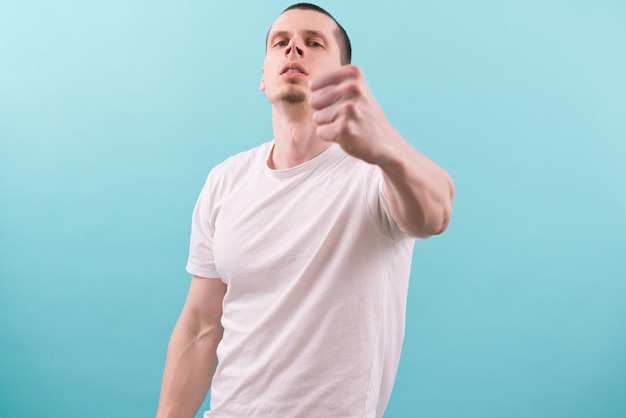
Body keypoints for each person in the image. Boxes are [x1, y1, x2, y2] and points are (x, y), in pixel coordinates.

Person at [156, 3, 454, 417]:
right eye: (280, 42)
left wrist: (385, 143)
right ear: (263, 76)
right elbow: (202, 327)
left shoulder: (376, 173)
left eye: (313, 43)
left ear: (344, 79)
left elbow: (435, 213)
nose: (293, 48)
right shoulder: (225, 181)